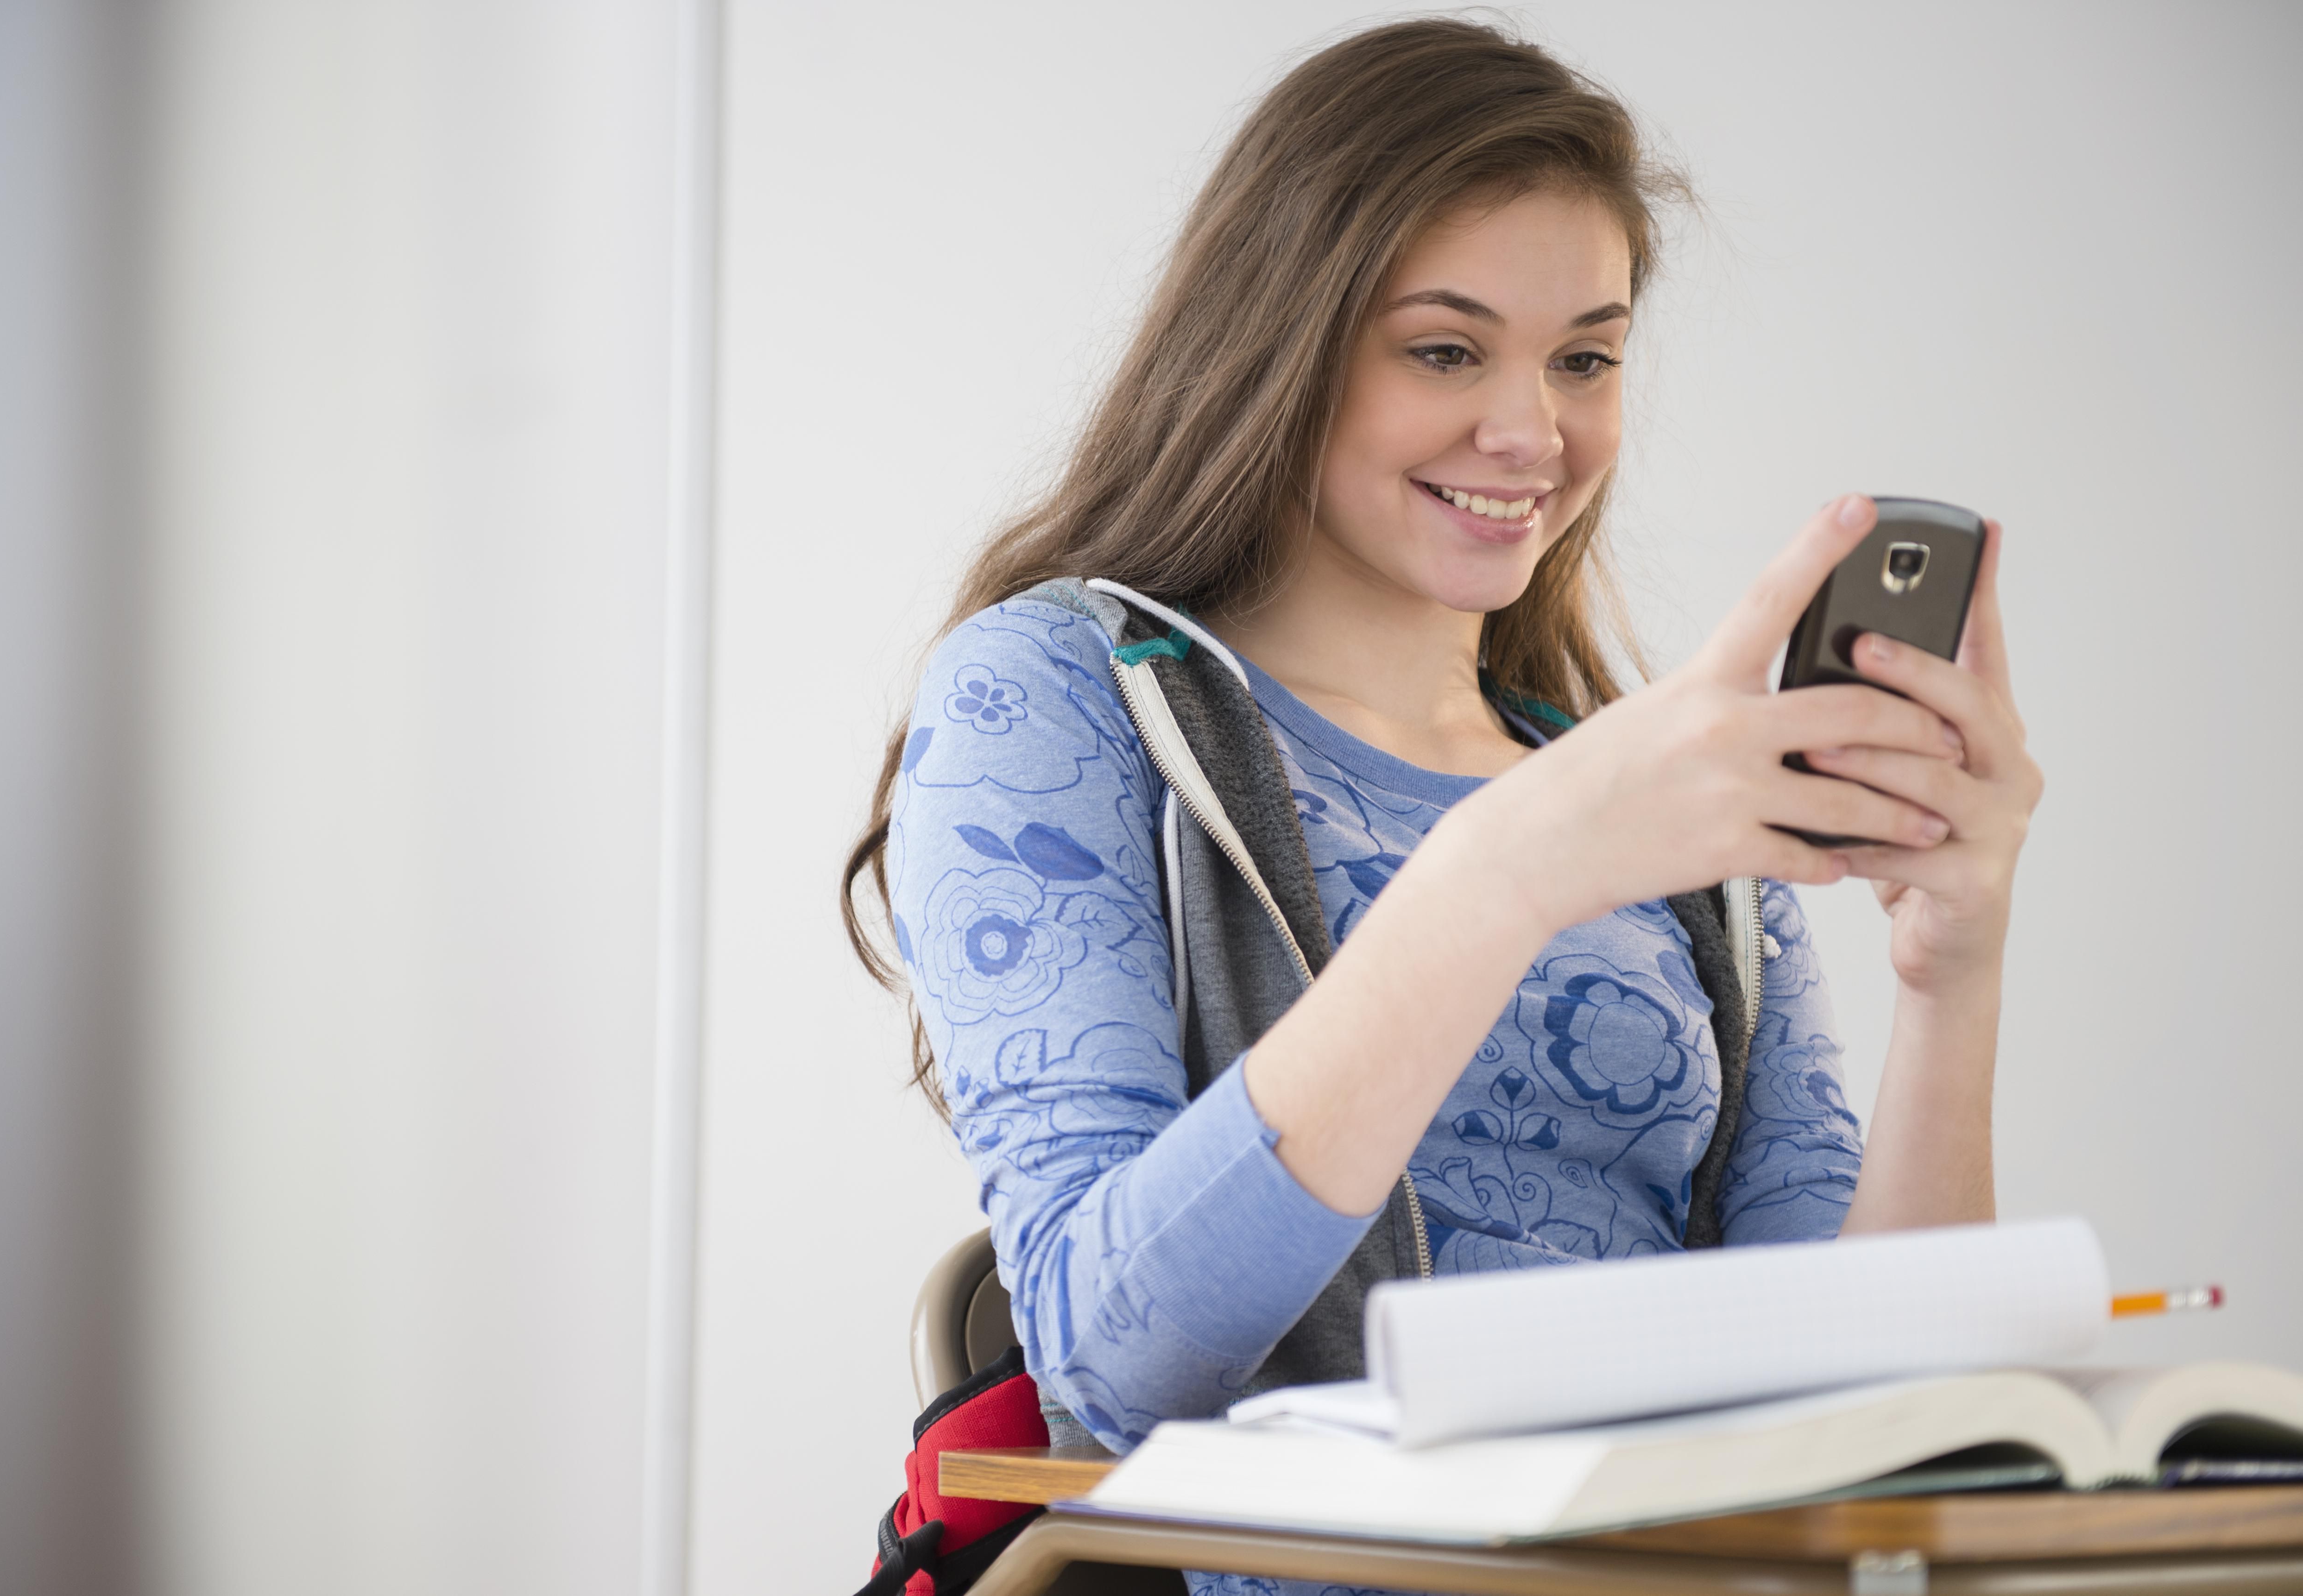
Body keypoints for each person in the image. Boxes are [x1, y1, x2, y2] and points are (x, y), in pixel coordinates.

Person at [843, 19, 2041, 1595]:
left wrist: (1953, 964)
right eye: (1445, 349)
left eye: (1586, 359)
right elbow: (1114, 1362)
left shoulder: (1651, 806)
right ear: (1283, 343)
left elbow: (1861, 1398)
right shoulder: (1059, 691)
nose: (1532, 434)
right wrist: (1500, 874)